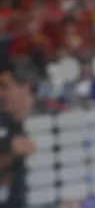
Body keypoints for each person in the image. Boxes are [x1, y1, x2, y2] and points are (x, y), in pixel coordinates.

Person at [0, 63, 35, 208]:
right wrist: (11, 154)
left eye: (4, 86)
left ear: (24, 88)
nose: (0, 93)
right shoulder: (5, 123)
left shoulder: (54, 118)